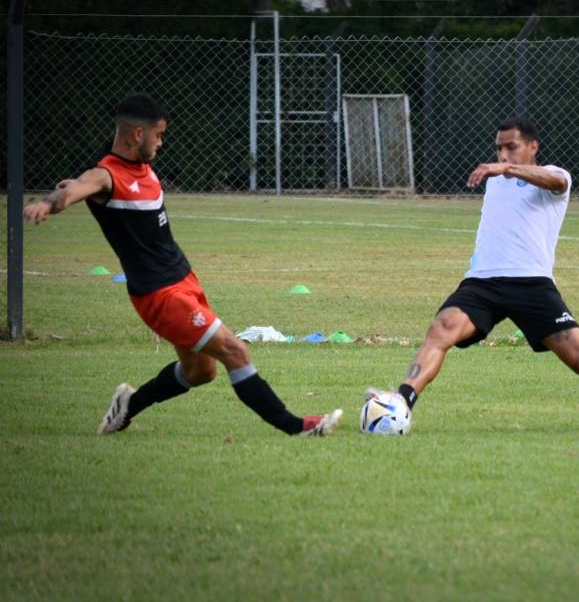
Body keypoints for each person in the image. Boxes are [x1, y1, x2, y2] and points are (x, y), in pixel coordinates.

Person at [23, 93, 342, 436]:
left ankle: (128, 406)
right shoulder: (105, 176)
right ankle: (296, 426)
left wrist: (70, 189)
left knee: (201, 372)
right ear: (136, 135)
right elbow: (74, 191)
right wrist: (48, 204)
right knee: (235, 350)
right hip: (159, 295)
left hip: (184, 280)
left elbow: (77, 186)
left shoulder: (141, 168)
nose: (162, 141)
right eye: (158, 134)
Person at [366, 116, 579, 432]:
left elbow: (557, 183)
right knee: (441, 329)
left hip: (532, 285)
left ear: (533, 147)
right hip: (482, 282)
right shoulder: (495, 181)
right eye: (499, 148)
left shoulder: (554, 177)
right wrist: (502, 172)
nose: (503, 155)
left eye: (511, 147)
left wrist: (507, 169)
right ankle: (402, 402)